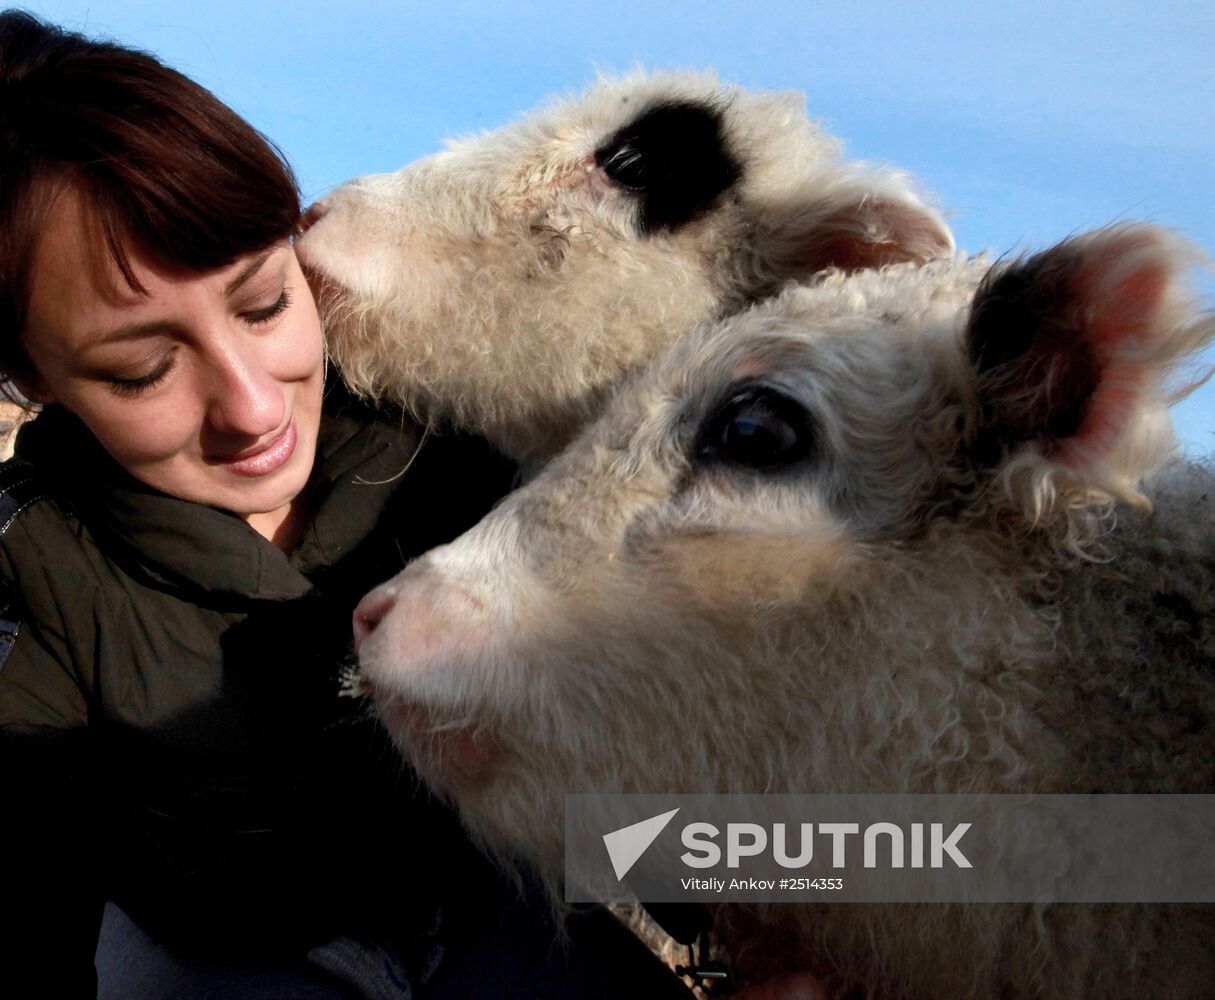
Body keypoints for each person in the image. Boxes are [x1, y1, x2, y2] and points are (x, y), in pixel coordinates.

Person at [0, 11, 715, 999]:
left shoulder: (467, 446)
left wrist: (790, 918)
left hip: (517, 930)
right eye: (142, 368)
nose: (253, 408)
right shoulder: (30, 585)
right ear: (29, 377)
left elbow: (640, 812)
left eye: (264, 304)